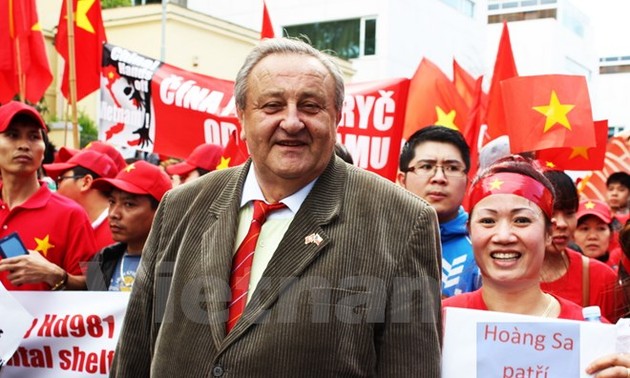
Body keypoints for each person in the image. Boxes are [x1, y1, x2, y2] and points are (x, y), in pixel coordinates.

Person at [111, 38, 442, 377]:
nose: (292, 122)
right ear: (241, 116)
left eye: (311, 106)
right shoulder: (180, 206)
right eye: (272, 106)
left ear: (337, 117)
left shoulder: (402, 222)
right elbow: (135, 352)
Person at [443, 155, 589, 319]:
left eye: (521, 220)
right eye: (488, 221)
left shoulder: (587, 330)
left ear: (549, 233)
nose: (503, 237)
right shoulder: (439, 322)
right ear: (469, 230)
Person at [0, 101, 97, 290]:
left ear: (43, 151)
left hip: (40, 320)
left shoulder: (72, 215)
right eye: (13, 135)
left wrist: (56, 275)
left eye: (34, 136)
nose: (24, 145)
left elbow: (98, 285)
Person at [398, 125, 480, 298]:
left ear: (467, 181)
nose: (439, 178)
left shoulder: (484, 245)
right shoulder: (379, 238)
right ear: (402, 180)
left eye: (451, 168)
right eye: (426, 166)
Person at [540, 170, 618, 322]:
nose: (561, 224)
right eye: (551, 213)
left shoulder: (602, 278)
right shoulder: (504, 278)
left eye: (569, 213)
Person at [86, 160, 171, 291]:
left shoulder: (175, 266)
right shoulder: (104, 258)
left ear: (160, 211)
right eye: (112, 202)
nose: (114, 214)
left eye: (129, 204)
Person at [43, 150, 120, 249]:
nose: (55, 190)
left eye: (60, 179)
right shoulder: (73, 225)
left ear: (86, 182)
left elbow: (90, 265)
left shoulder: (119, 233)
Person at [574, 199, 621, 269]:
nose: (592, 236)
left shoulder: (620, 275)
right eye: (585, 229)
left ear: (611, 235)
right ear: (572, 235)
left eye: (600, 229)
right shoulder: (558, 272)